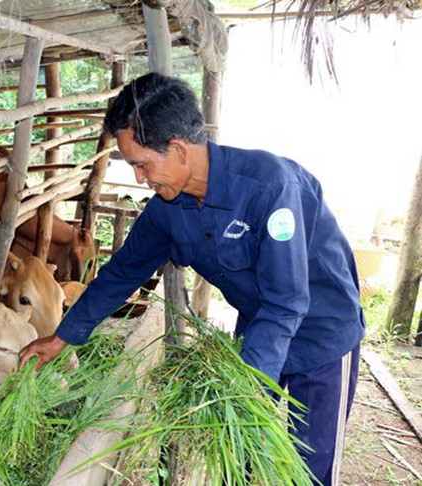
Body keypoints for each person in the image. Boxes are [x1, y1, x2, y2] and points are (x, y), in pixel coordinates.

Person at [18, 73, 364, 486]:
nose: (139, 180)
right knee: (247, 458)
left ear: (178, 149)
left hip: (320, 334)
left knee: (307, 469)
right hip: (259, 327)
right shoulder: (169, 206)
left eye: (141, 164)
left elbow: (286, 302)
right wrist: (63, 336)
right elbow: (123, 271)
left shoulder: (271, 188)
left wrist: (246, 388)